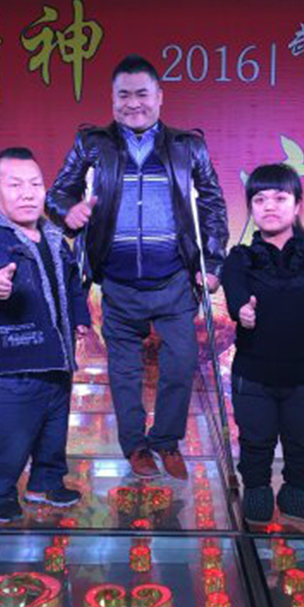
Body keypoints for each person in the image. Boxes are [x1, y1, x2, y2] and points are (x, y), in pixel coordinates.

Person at [46, 54, 228, 480]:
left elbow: (213, 204)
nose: (133, 104)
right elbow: (57, 194)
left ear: (160, 97)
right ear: (112, 99)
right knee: (124, 371)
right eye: (123, 95)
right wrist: (68, 212)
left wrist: (213, 262)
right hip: (118, 283)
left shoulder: (188, 146)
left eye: (142, 94)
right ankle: (135, 447)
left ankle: (166, 440)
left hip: (174, 280)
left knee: (181, 362)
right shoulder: (93, 144)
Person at [0, 147, 90, 523]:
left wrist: (81, 318)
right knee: (7, 436)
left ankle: (46, 482)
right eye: (15, 185)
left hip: (57, 360)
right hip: (12, 367)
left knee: (53, 431)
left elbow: (72, 285)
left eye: (35, 184)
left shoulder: (54, 237)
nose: (27, 193)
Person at [221, 163, 304, 524]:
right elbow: (235, 293)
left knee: (302, 441)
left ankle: (296, 489)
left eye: (280, 198)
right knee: (255, 439)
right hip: (253, 375)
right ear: (251, 207)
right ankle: (257, 489)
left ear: (297, 204)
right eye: (259, 199)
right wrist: (243, 311)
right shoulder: (240, 257)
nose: (270, 206)